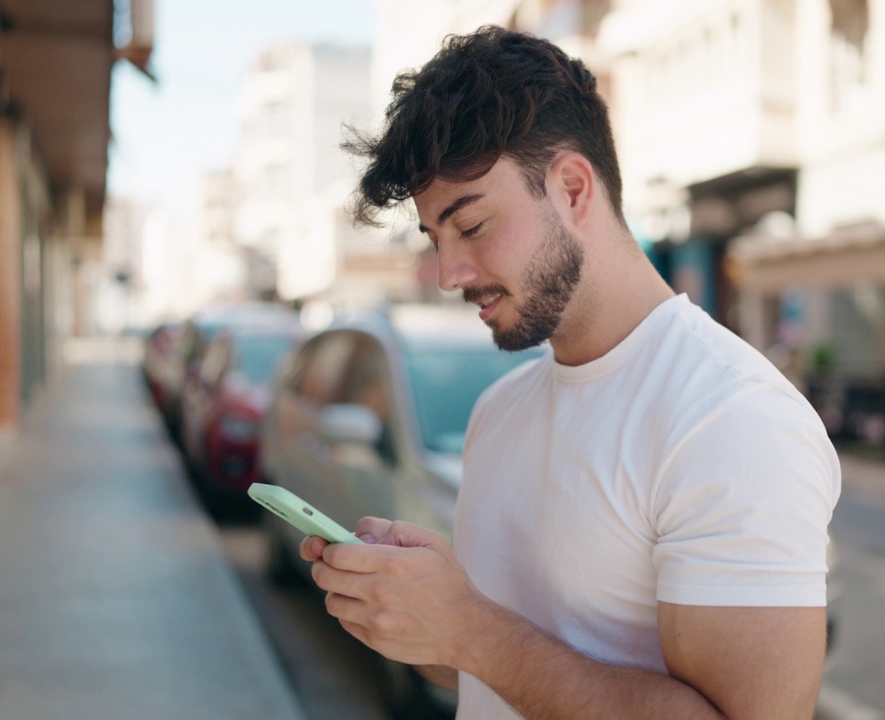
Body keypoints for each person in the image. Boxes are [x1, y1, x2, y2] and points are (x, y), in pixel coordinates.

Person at [301, 26, 841, 719]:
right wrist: (418, 612)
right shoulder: (499, 412)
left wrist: (471, 628)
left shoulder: (732, 417)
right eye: (437, 239)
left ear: (573, 187)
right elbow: (496, 673)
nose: (448, 274)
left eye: (471, 226)